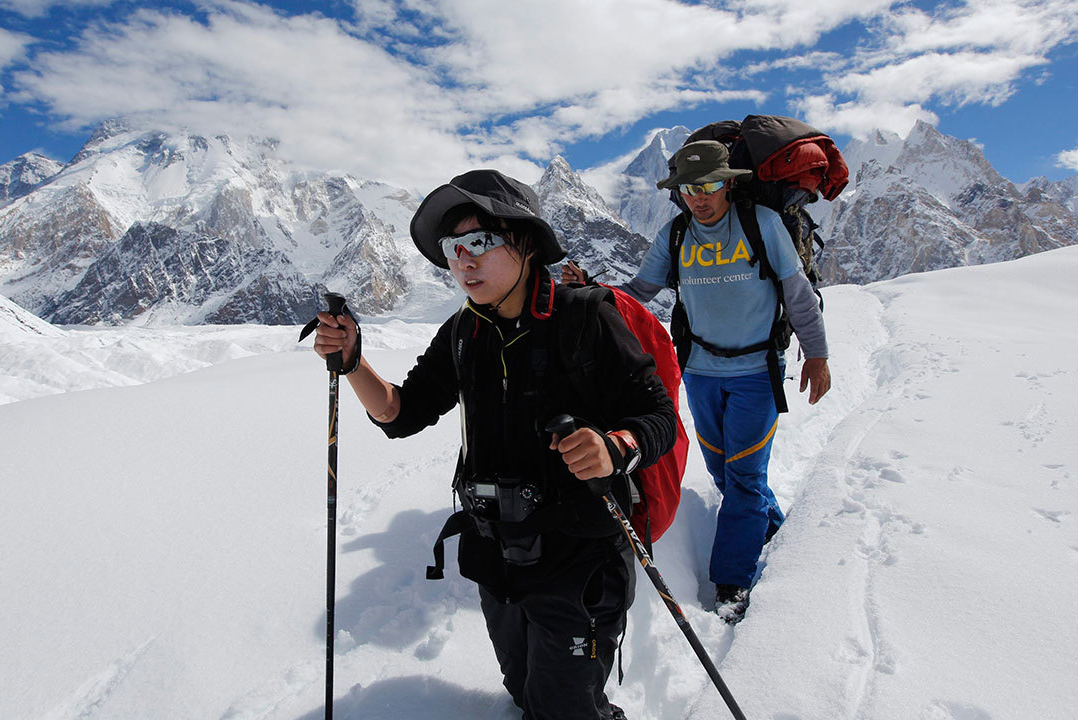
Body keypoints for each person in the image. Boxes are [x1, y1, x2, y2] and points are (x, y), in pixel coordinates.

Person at [312, 169, 676, 720]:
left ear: (525, 242)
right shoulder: (464, 331)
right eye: (452, 247)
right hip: (497, 557)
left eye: (479, 242)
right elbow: (400, 412)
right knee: (524, 688)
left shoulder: (586, 317)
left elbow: (658, 415)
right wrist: (353, 363)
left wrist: (615, 446)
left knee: (567, 706)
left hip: (579, 558)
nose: (463, 260)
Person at [562, 140, 831, 624]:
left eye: (708, 185)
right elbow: (640, 293)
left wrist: (817, 355)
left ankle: (732, 584)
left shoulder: (762, 226)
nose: (698, 197)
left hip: (756, 373)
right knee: (726, 476)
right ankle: (779, 535)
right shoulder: (677, 233)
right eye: (688, 188)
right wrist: (590, 293)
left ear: (729, 182)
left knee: (745, 478)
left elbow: (798, 296)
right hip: (701, 374)